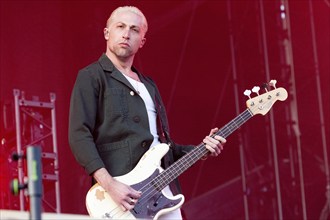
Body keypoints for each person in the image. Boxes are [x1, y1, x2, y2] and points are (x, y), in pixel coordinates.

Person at [68, 6, 226, 219]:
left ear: (142, 40)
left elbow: (162, 146)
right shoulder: (92, 77)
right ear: (107, 33)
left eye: (134, 29)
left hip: (162, 192)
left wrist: (202, 149)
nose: (126, 34)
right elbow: (79, 135)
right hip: (121, 195)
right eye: (120, 27)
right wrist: (110, 184)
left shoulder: (149, 85)